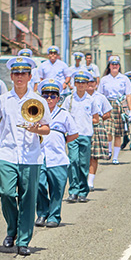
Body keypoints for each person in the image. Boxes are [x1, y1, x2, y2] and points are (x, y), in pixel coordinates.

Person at [0, 56, 50, 256]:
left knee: (29, 199)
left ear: (29, 76)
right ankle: (12, 229)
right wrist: (2, 128)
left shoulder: (39, 100)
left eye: (23, 73)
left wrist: (37, 130)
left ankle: (23, 240)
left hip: (31, 156)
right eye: (16, 73)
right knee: (7, 193)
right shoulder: (3, 99)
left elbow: (47, 128)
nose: (19, 77)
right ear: (11, 76)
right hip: (7, 153)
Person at [36, 78, 79, 228]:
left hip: (58, 156)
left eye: (52, 95)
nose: (49, 98)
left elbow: (74, 133)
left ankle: (54, 216)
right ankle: (42, 213)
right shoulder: (36, 112)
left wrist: (61, 141)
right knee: (39, 185)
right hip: (39, 156)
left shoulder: (64, 114)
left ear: (58, 98)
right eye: (45, 95)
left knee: (57, 188)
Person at [61, 70, 95, 203]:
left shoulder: (91, 100)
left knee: (83, 164)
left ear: (87, 84)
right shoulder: (69, 99)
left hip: (86, 134)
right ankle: (73, 190)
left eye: (83, 83)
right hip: (72, 135)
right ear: (74, 84)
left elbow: (96, 118)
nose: (80, 85)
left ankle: (83, 191)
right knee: (72, 161)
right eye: (78, 82)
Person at [98, 56, 131, 164]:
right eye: (112, 64)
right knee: (108, 130)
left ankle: (115, 157)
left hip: (120, 105)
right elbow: (100, 95)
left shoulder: (124, 78)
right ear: (109, 66)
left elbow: (128, 95)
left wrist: (130, 110)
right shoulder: (104, 79)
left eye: (116, 64)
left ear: (119, 66)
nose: (114, 66)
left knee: (118, 133)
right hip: (108, 105)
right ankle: (108, 151)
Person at [86, 74, 112, 190]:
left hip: (96, 126)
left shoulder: (100, 97)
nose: (90, 84)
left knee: (93, 156)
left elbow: (108, 112)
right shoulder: (79, 97)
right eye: (88, 82)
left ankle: (90, 182)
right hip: (82, 127)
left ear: (96, 84)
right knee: (81, 157)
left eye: (93, 82)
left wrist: (100, 119)